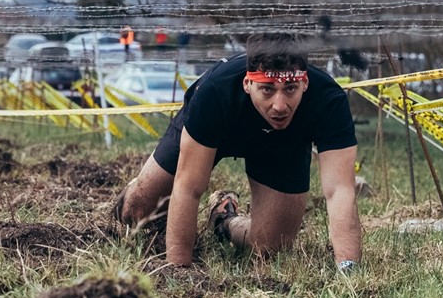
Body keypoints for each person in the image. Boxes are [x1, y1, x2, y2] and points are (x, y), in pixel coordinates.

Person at [114, 34, 361, 272]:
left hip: (282, 142)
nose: (279, 105)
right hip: (216, 128)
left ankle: (224, 219)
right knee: (136, 210)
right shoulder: (215, 91)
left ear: (304, 83)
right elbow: (188, 187)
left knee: (270, 247)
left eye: (290, 89)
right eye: (267, 90)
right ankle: (135, 198)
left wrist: (349, 270)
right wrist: (178, 268)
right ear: (248, 83)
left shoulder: (329, 99)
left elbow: (340, 190)